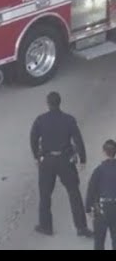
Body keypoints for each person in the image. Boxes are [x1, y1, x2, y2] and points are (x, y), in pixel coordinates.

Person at [30, 91, 92, 237]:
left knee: (45, 194)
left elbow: (33, 138)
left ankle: (46, 226)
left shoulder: (40, 120)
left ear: (48, 103)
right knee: (74, 193)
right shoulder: (69, 120)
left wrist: (36, 157)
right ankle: (81, 228)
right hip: (65, 161)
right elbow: (78, 140)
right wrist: (83, 159)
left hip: (47, 161)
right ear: (60, 102)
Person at [85, 140, 116, 250]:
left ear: (103, 152)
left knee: (99, 241)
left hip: (101, 209)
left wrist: (88, 208)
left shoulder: (98, 171)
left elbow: (91, 189)